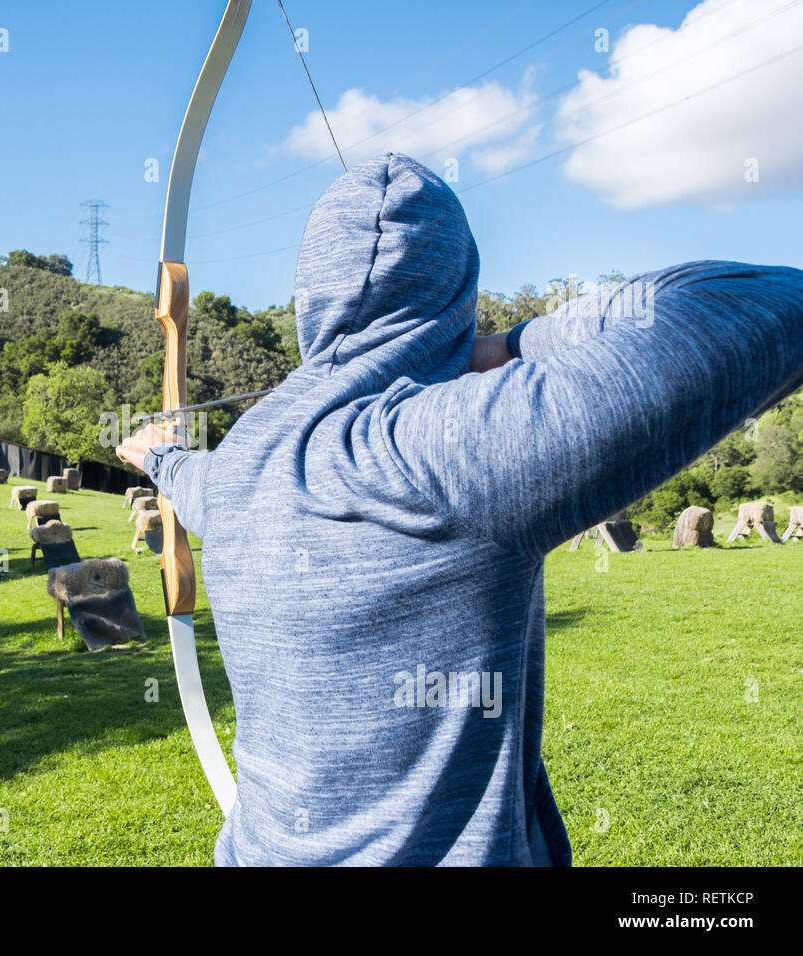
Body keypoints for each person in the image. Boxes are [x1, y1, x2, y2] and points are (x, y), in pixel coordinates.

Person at [116, 152, 803, 866]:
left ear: (309, 295)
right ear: (454, 291)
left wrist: (156, 455)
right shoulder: (441, 449)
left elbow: (196, 482)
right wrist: (504, 346)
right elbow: (763, 302)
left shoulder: (245, 462)